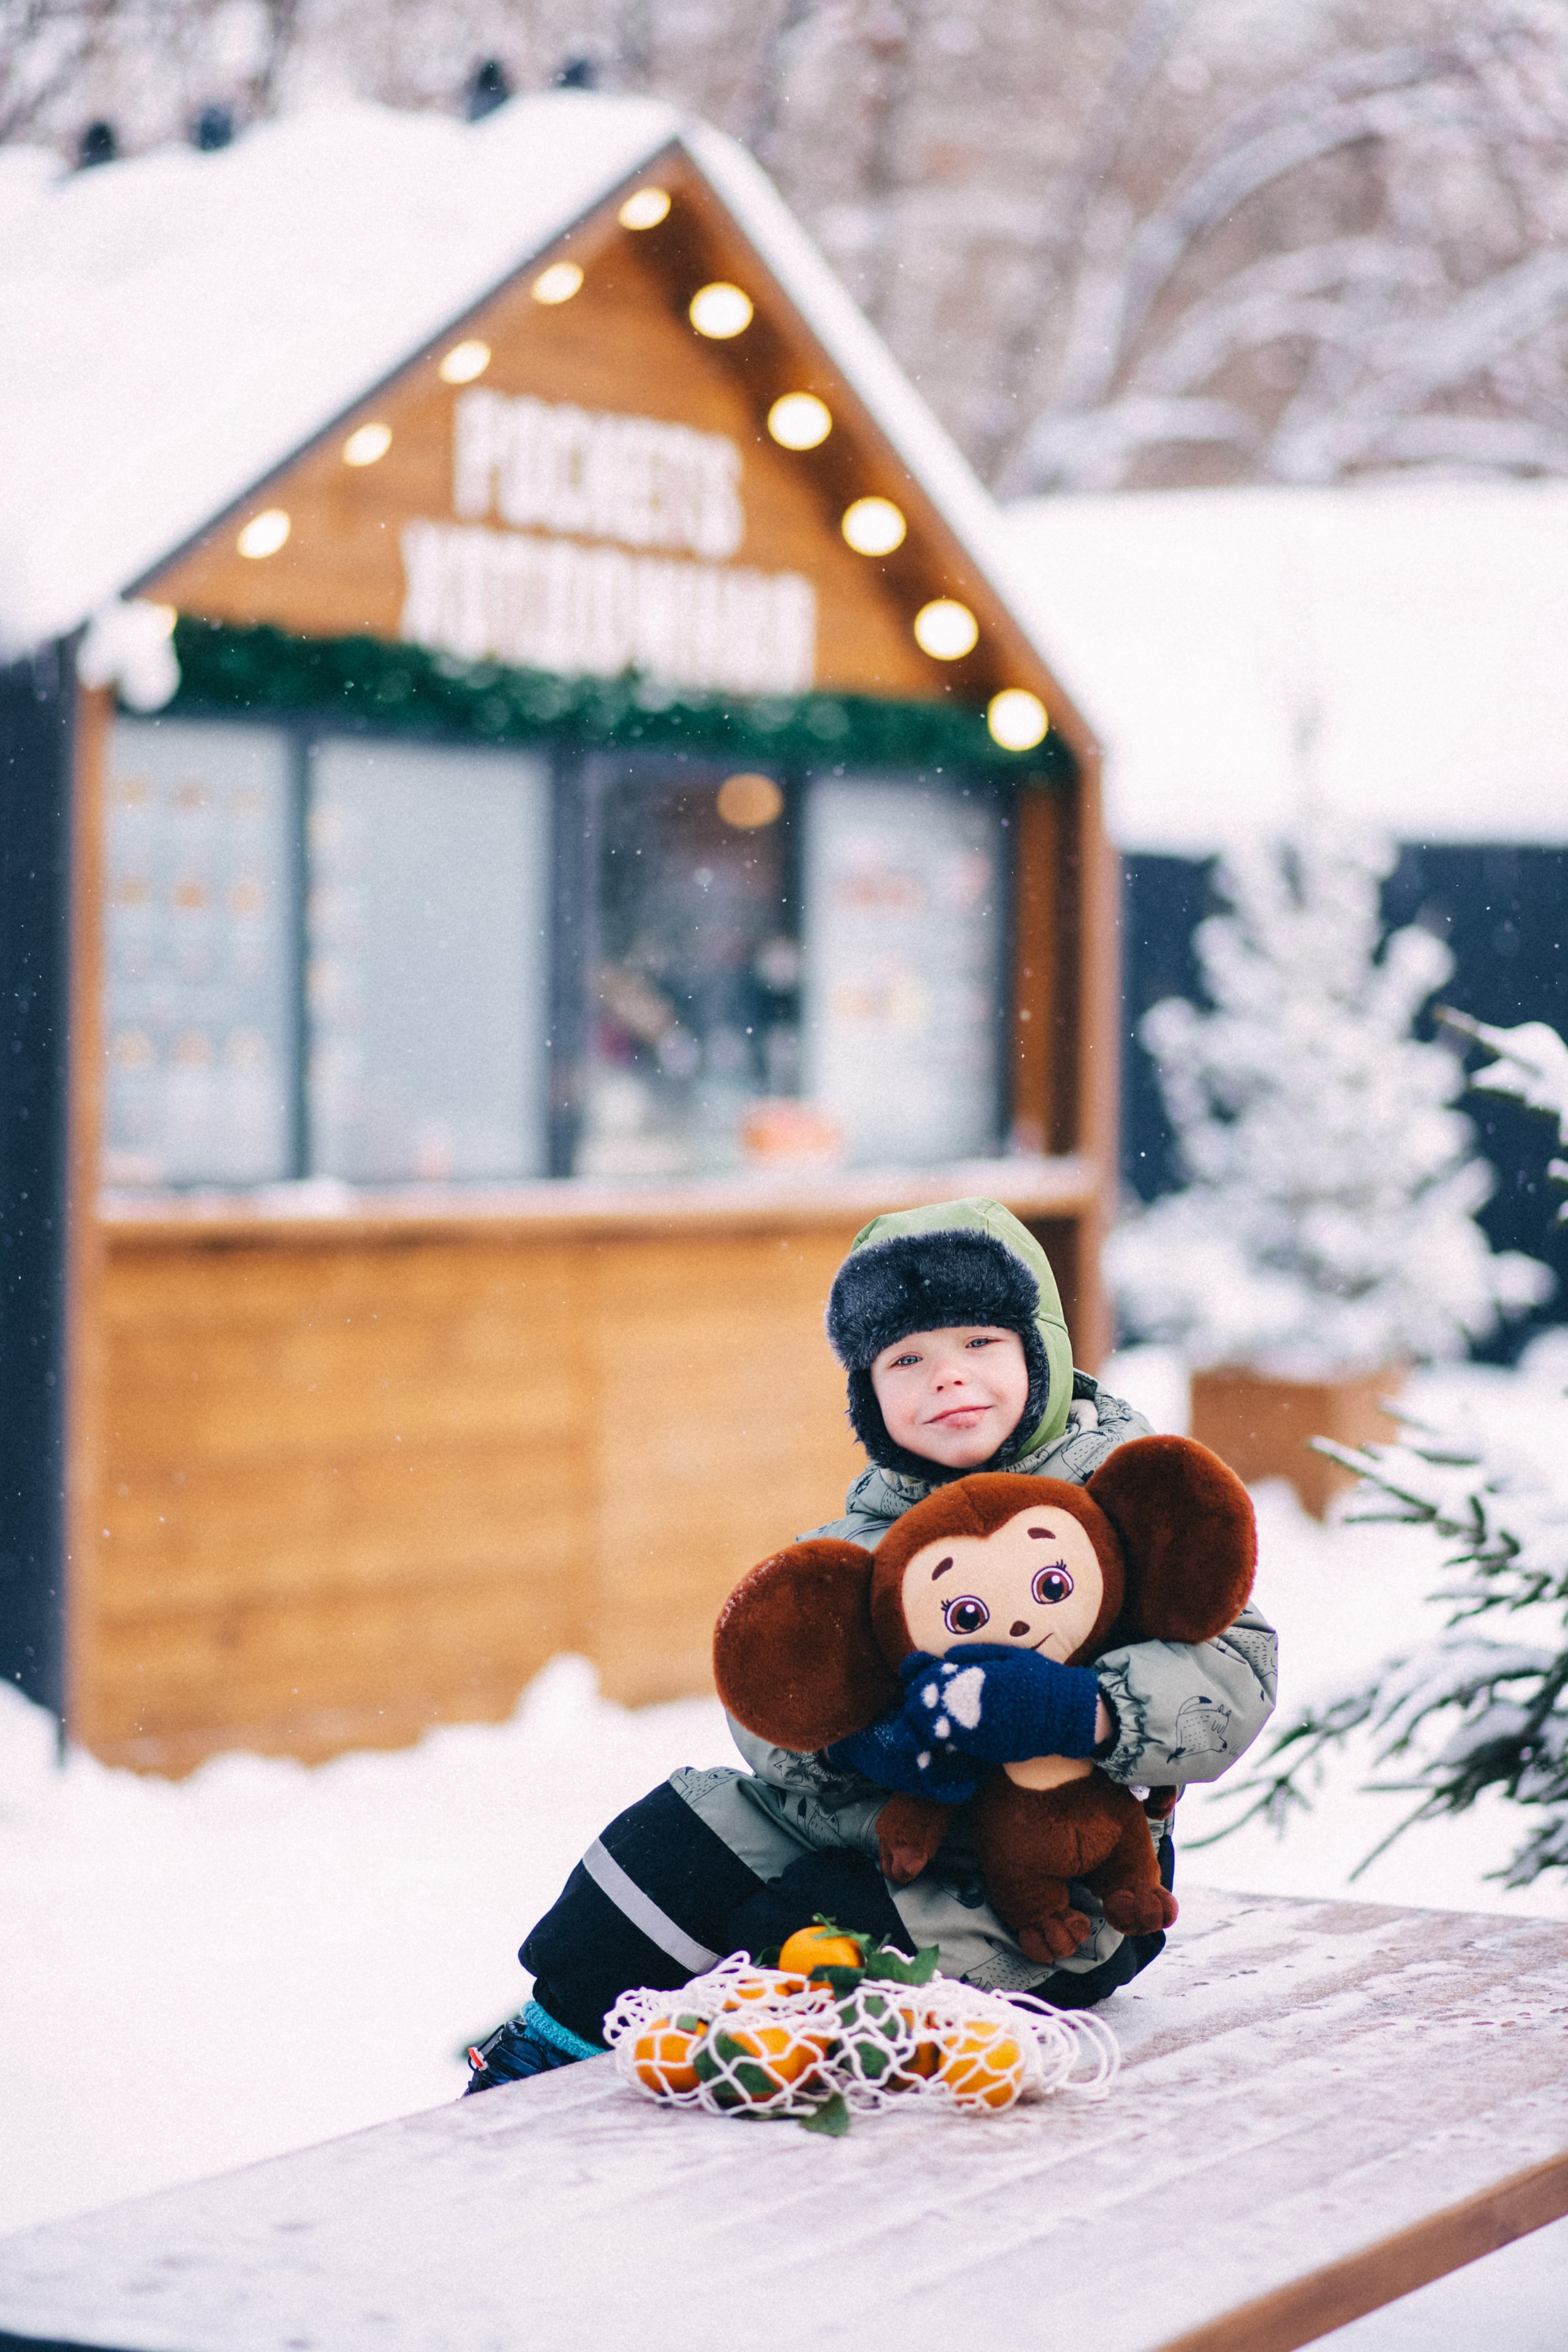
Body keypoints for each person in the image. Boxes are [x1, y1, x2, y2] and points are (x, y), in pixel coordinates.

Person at [465, 1199, 1277, 2090]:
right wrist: (859, 1742)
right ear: (868, 1392)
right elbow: (772, 1697)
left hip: (1057, 1885)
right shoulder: (863, 1539)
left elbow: (1233, 1665)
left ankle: (765, 2052)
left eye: (981, 1342)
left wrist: (1085, 1710)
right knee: (678, 1842)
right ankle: (555, 2036)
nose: (948, 1378)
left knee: (803, 1934)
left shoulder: (1122, 1499)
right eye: (907, 1359)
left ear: (1040, 1351)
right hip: (878, 1828)